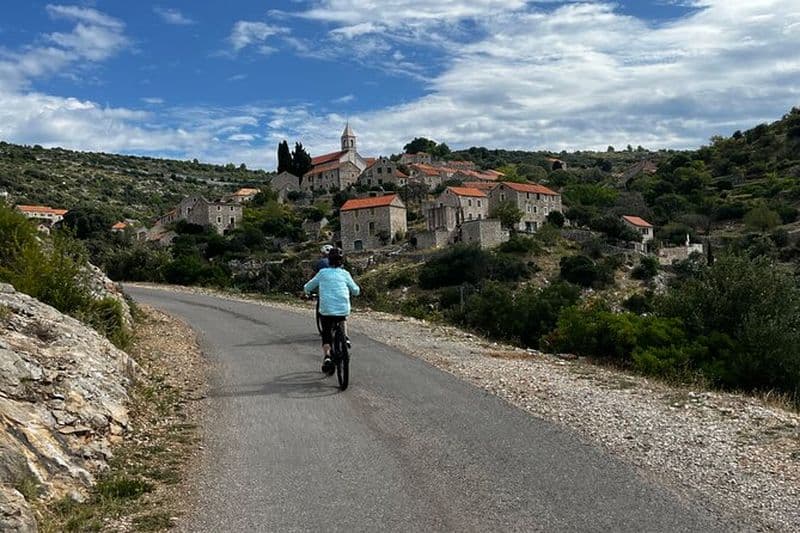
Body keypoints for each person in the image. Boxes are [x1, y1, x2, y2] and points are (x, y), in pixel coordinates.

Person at [303, 248, 360, 374]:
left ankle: (327, 356)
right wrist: (353, 292)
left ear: (329, 260)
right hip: (343, 308)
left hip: (327, 310)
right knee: (342, 318)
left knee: (326, 333)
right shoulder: (345, 274)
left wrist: (306, 291)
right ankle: (345, 337)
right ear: (342, 261)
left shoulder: (322, 273)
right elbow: (356, 290)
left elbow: (308, 286)